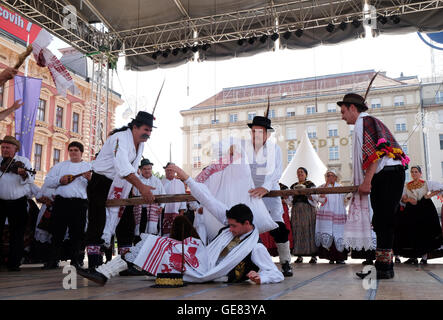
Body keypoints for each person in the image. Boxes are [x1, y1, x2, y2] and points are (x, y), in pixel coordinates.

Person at [77, 164, 284, 286]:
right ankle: (105, 272)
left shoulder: (255, 248)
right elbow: (208, 199)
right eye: (229, 225)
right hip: (199, 257)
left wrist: (260, 277)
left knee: (161, 253)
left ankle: (108, 271)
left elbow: (276, 273)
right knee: (158, 244)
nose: (229, 229)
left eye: (233, 226)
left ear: (247, 224)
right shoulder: (230, 221)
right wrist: (185, 177)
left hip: (208, 271)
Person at [338, 93, 408, 280]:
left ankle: (384, 268)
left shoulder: (364, 123)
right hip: (389, 174)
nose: (342, 116)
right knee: (382, 221)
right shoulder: (367, 122)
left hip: (388, 174)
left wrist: (366, 181)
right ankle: (384, 266)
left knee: (383, 220)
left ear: (353, 108)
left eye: (343, 111)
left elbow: (375, 153)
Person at [83, 111, 156, 272]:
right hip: (102, 181)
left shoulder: (141, 144)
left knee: (126, 221)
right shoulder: (120, 138)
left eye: (150, 130)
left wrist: (138, 186)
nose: (148, 134)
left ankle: (125, 264)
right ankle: (95, 263)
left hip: (123, 184)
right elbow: (122, 165)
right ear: (135, 127)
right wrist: (142, 187)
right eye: (146, 129)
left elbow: (130, 168)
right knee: (98, 220)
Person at [245, 114, 293, 277]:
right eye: (253, 132)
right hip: (251, 194)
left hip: (270, 193)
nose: (255, 135)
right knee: (249, 228)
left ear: (267, 134)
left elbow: (274, 170)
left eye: (259, 132)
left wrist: (265, 187)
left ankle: (286, 262)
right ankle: (251, 264)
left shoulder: (274, 148)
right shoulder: (245, 148)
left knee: (278, 228)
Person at [41, 142, 91, 269]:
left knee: (77, 233)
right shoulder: (60, 166)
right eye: (71, 150)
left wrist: (90, 179)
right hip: (61, 202)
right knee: (57, 232)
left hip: (79, 204)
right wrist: (59, 180)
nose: (73, 152)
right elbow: (48, 182)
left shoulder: (88, 167)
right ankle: (53, 260)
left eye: (76, 150)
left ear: (81, 152)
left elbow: (95, 188)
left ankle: (76, 261)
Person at [393, 165, 443, 265]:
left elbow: (441, 187)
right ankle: (413, 257)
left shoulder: (426, 183)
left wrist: (428, 195)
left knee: (425, 232)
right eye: (412, 172)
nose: (414, 173)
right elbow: (402, 198)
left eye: (416, 172)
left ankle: (424, 258)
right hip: (411, 210)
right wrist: (407, 200)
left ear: (420, 173)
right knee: (412, 232)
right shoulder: (407, 185)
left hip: (425, 210)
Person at [0, 135, 34, 271]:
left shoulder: (23, 161)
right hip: (0, 202)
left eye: (8, 147)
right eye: (3, 147)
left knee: (17, 233)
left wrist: (23, 174)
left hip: (17, 202)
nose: (5, 150)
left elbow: (30, 180)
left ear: (15, 149)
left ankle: (14, 264)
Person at [315, 169, 348, 264]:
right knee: (327, 233)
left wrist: (348, 198)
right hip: (326, 215)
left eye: (332, 175)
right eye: (328, 175)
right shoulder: (322, 186)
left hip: (338, 213)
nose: (330, 177)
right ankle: (330, 257)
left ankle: (340, 257)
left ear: (336, 177)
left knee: (339, 233)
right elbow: (321, 198)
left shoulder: (341, 187)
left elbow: (345, 200)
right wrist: (326, 184)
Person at [290, 167, 319, 264]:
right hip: (296, 210)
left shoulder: (310, 184)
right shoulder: (293, 185)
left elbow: (316, 197)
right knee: (297, 231)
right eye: (298, 172)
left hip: (307, 209)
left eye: (302, 172)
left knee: (309, 230)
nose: (300, 173)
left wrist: (309, 195)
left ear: (306, 174)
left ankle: (313, 255)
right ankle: (299, 255)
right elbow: (290, 200)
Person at [161, 162, 186, 236]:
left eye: (171, 170)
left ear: (175, 171)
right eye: (167, 170)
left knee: (175, 232)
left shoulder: (180, 183)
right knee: (163, 232)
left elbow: (183, 199)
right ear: (165, 171)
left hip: (176, 212)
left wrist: (181, 213)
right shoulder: (161, 182)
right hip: (162, 211)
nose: (169, 172)